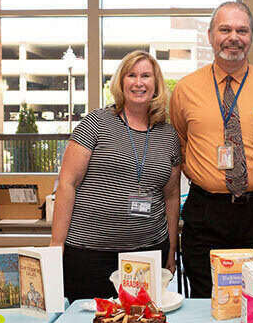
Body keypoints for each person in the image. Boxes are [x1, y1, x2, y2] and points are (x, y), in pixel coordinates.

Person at [170, 1, 253, 298]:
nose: (233, 37)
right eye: (225, 29)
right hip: (206, 211)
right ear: (211, 36)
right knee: (205, 297)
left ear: (251, 37)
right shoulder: (185, 89)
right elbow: (179, 143)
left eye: (242, 30)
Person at [50, 50, 182, 303]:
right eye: (131, 75)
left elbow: (172, 195)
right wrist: (57, 243)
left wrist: (171, 251)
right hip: (89, 253)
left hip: (146, 253)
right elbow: (67, 183)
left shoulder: (168, 135)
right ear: (121, 82)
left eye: (146, 75)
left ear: (156, 84)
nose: (138, 82)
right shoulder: (96, 123)